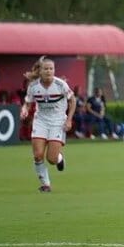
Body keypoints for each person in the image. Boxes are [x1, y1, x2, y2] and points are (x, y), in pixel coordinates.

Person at [20, 57, 75, 192]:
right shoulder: (33, 86)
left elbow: (72, 101)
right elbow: (28, 102)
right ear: (41, 71)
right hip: (41, 121)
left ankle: (59, 159)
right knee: (38, 155)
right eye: (46, 69)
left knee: (51, 158)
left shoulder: (60, 85)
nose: (49, 71)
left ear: (54, 70)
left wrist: (69, 120)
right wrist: (24, 110)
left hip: (57, 122)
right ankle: (46, 184)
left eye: (51, 68)